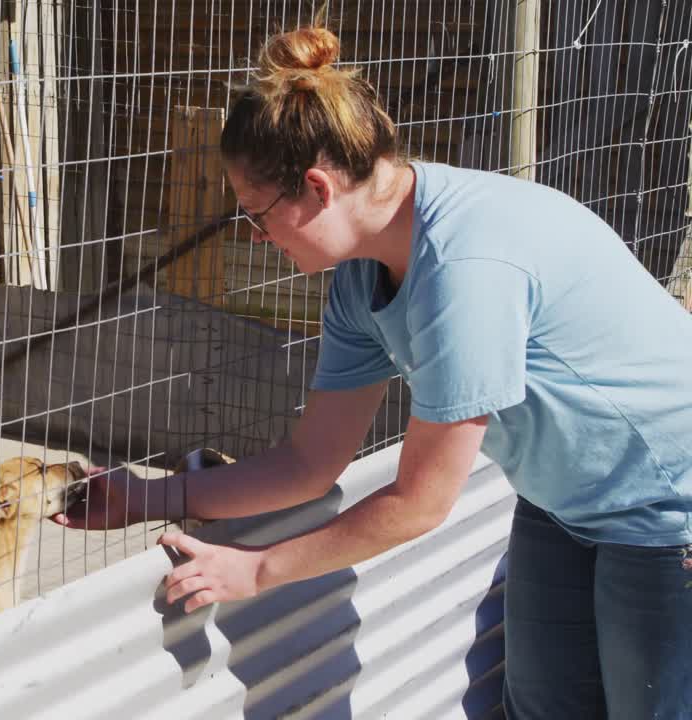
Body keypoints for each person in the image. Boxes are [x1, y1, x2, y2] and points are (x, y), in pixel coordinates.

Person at [53, 26, 692, 719]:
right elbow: (310, 462)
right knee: (542, 705)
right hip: (566, 500)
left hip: (667, 505)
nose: (255, 236)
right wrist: (148, 498)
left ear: (317, 188)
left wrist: (258, 570)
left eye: (256, 213)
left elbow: (420, 503)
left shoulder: (463, 269)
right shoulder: (363, 275)